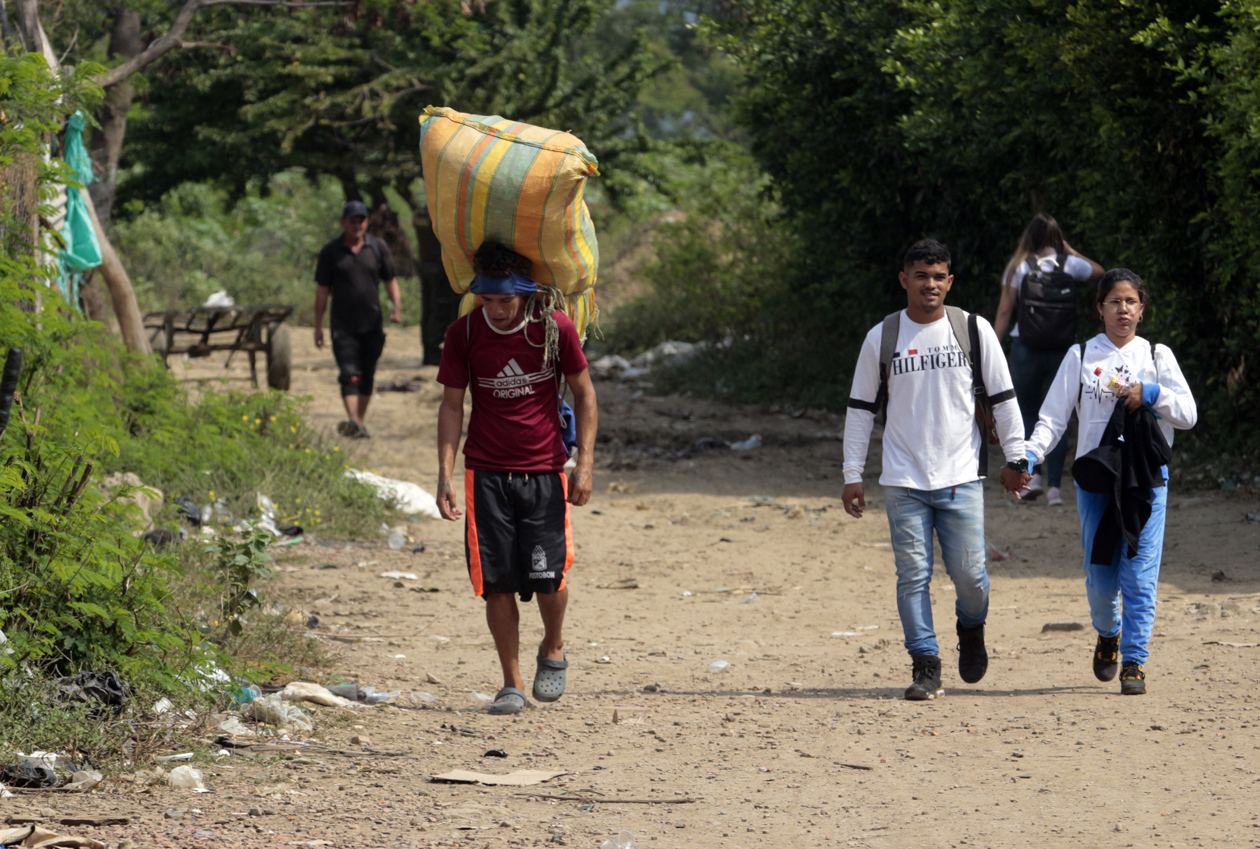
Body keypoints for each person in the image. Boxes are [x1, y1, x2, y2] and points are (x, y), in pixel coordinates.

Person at [843, 239, 1031, 701]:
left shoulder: (972, 329)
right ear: (904, 280)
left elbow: (1004, 399)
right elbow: (861, 410)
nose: (930, 284)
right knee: (912, 576)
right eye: (921, 276)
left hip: (961, 476)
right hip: (903, 480)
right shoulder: (882, 337)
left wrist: (1017, 458)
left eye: (939, 276)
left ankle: (971, 628)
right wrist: (852, 473)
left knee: (971, 576)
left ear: (950, 281)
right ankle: (925, 664)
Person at [435, 240, 597, 716]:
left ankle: (554, 643)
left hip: (544, 470)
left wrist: (583, 463)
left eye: (506, 301)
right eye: (488, 300)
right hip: (484, 471)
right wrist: (445, 475)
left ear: (525, 294)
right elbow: (450, 406)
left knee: (550, 578)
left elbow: (585, 396)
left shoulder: (553, 329)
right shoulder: (463, 334)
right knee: (496, 582)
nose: (498, 310)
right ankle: (511, 683)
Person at [1025, 269, 1196, 695]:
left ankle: (1135, 661)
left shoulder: (1157, 355)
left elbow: (1188, 415)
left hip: (1146, 481)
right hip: (1097, 481)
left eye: (1131, 302)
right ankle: (1108, 634)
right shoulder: (1081, 356)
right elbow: (1052, 418)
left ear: (1142, 308)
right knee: (1101, 580)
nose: (1123, 310)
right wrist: (1030, 454)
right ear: (1099, 307)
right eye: (1114, 302)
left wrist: (1152, 394)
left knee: (1139, 576)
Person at [993, 213, 1104, 506]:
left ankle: (1034, 477)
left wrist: (990, 349)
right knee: (1059, 416)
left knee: (1028, 412)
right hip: (1063, 350)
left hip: (1026, 349)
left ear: (1029, 238)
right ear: (1058, 237)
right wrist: (1070, 250)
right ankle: (1055, 488)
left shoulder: (1018, 267)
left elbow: (1005, 311)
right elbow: (1101, 273)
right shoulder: (1071, 265)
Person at [313, 200, 403, 438]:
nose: (357, 225)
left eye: (361, 220)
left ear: (367, 222)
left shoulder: (377, 248)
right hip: (343, 326)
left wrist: (397, 307)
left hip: (372, 324)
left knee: (366, 373)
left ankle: (358, 422)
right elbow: (322, 290)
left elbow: (390, 280)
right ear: (343, 222)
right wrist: (318, 326)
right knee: (349, 373)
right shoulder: (331, 252)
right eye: (352, 221)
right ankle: (354, 420)